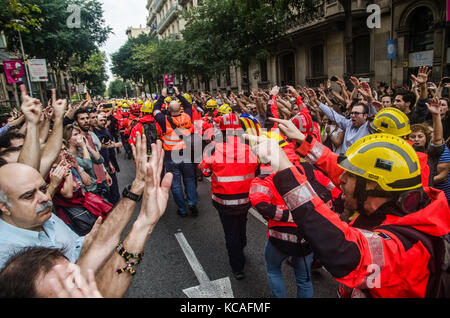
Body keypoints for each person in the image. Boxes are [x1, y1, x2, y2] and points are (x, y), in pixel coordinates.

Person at [245, 117, 450, 297]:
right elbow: (337, 166)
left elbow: (344, 250)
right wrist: (301, 139)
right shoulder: (391, 197)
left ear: (373, 188)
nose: (340, 178)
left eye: (350, 175)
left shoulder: (404, 248)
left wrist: (285, 170)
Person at [0, 135, 173, 298]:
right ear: (4, 207)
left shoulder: (39, 218)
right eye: (29, 195)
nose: (45, 198)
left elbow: (97, 249)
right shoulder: (6, 257)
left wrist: (139, 196)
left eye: (44, 188)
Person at [198, 112, 259, 280]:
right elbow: (256, 167)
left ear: (222, 131)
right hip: (246, 200)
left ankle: (238, 267)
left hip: (223, 202)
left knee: (230, 232)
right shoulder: (248, 149)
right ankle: (242, 246)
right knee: (241, 224)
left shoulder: (214, 150)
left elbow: (204, 170)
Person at [153, 86, 199, 217]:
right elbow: (188, 105)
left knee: (176, 183)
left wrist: (162, 96)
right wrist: (178, 94)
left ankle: (182, 210)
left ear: (168, 109)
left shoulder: (164, 120)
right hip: (186, 153)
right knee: (190, 179)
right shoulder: (187, 116)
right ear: (180, 109)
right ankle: (192, 202)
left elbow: (155, 109)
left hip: (171, 156)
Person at [307, 88, 376, 153]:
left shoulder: (370, 127)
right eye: (352, 113)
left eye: (356, 113)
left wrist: (370, 99)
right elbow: (333, 114)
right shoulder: (348, 124)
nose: (352, 115)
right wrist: (316, 101)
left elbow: (376, 117)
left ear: (365, 115)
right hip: (344, 162)